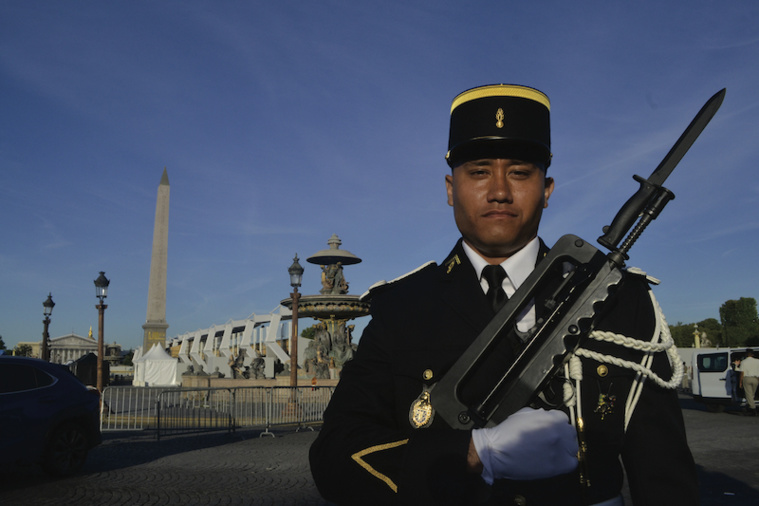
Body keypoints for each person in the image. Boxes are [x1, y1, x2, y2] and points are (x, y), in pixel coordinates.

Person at [310, 84, 698, 505]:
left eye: (519, 172)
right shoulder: (401, 307)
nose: (499, 190)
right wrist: (475, 454)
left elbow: (665, 477)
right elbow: (335, 456)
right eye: (478, 171)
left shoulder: (618, 298)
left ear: (546, 189)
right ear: (449, 188)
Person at [738, 349, 759, 415]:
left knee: (749, 394)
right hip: (756, 378)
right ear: (752, 354)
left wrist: (740, 382)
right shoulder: (757, 361)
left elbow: (742, 373)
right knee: (752, 394)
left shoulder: (743, 362)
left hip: (747, 378)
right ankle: (749, 406)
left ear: (746, 354)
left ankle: (753, 409)